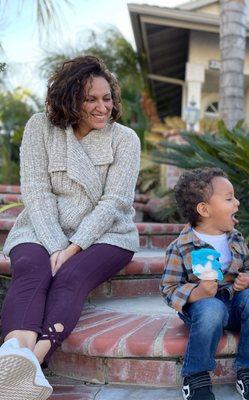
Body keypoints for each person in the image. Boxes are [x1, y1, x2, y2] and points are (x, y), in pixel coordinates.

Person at [0, 56, 140, 400]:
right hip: (41, 226)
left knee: (70, 276)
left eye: (106, 98)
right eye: (90, 99)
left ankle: (33, 362)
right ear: (69, 97)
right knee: (32, 270)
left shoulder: (125, 139)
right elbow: (35, 190)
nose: (102, 107)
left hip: (107, 232)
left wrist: (73, 247)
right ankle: (14, 354)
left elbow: (115, 202)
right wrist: (53, 245)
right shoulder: (40, 127)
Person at [160, 167, 249, 400]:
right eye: (229, 198)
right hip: (203, 309)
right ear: (204, 209)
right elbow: (169, 288)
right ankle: (196, 375)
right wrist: (197, 292)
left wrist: (248, 280)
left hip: (234, 302)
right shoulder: (181, 246)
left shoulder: (236, 238)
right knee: (212, 308)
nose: (237, 203)